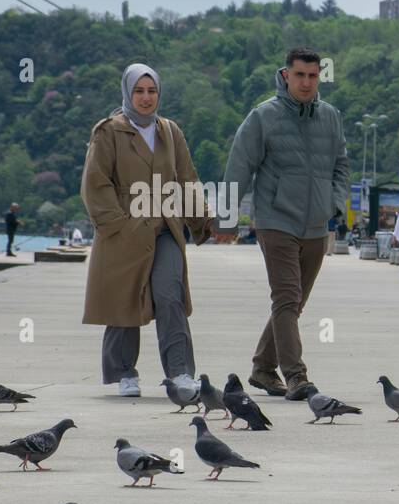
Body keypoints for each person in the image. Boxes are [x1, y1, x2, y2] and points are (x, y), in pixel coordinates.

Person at [80, 64, 214, 398]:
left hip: (166, 227)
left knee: (170, 295)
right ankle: (125, 373)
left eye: (151, 91)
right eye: (139, 91)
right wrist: (117, 225)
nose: (145, 98)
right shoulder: (108, 131)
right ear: (128, 92)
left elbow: (187, 180)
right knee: (125, 299)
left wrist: (202, 222)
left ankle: (181, 372)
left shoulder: (170, 131)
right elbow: (96, 182)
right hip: (125, 228)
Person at [224, 47, 349, 400]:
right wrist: (227, 218)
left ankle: (263, 368)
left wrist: (335, 204)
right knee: (286, 297)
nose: (307, 82)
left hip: (316, 225)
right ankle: (296, 376)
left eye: (313, 75)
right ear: (285, 75)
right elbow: (238, 167)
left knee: (293, 304)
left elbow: (341, 165)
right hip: (275, 220)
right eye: (300, 75)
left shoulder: (330, 116)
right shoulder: (264, 116)